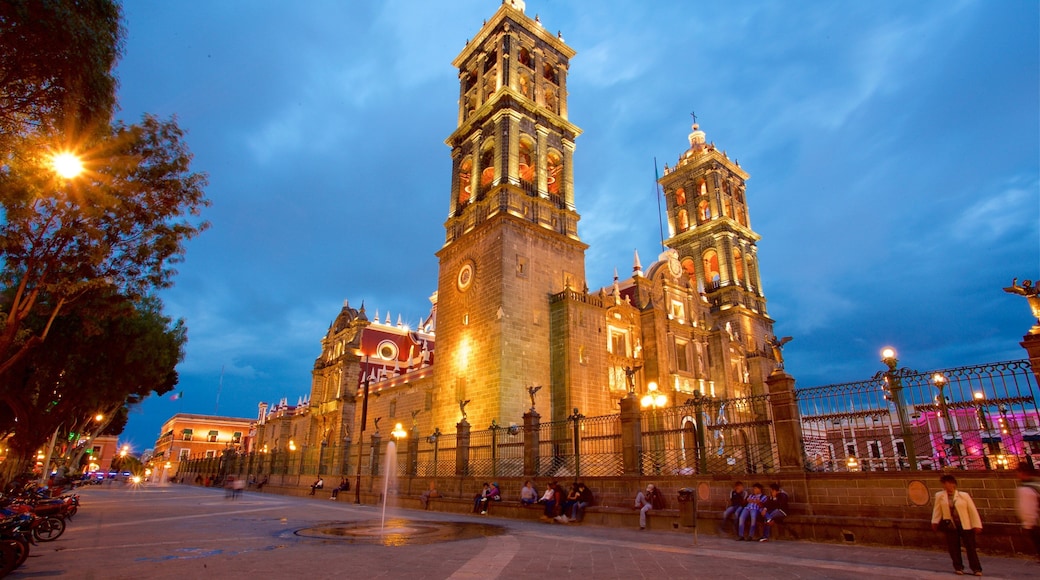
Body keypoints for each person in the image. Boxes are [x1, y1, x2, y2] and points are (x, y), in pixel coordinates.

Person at [931, 474, 983, 576]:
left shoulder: (964, 496)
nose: (946, 486)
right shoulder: (940, 496)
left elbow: (972, 510)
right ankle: (958, 567)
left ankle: (976, 568)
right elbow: (937, 510)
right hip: (950, 525)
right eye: (944, 484)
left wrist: (976, 524)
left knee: (970, 547)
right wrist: (935, 521)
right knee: (953, 547)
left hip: (965, 524)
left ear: (953, 484)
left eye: (948, 484)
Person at [1015, 464, 1040, 563]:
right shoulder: (1037, 483)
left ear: (1022, 473)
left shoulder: (1025, 488)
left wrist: (1027, 524)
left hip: (1036, 524)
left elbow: (1027, 508)